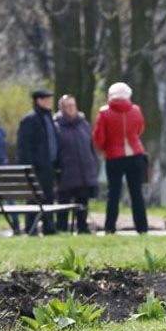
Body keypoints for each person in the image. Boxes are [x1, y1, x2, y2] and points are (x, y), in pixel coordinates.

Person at [93, 82, 148, 234]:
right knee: (136, 193)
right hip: (135, 155)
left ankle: (110, 228)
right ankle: (142, 228)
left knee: (114, 193)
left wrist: (104, 149)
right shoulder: (136, 110)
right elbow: (139, 129)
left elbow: (99, 138)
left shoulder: (104, 113)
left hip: (113, 157)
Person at [54, 94, 99, 233]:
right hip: (66, 172)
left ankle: (82, 227)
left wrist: (93, 164)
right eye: (67, 106)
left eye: (72, 105)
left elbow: (91, 146)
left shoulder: (84, 124)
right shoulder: (56, 126)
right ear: (61, 108)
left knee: (82, 202)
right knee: (64, 202)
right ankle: (61, 228)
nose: (71, 109)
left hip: (84, 171)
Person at [17, 88, 59, 235]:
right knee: (33, 199)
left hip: (49, 167)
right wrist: (28, 168)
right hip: (36, 168)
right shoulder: (30, 120)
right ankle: (31, 227)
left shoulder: (49, 118)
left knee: (48, 198)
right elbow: (24, 147)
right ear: (39, 101)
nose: (49, 102)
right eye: (46, 99)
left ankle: (49, 227)